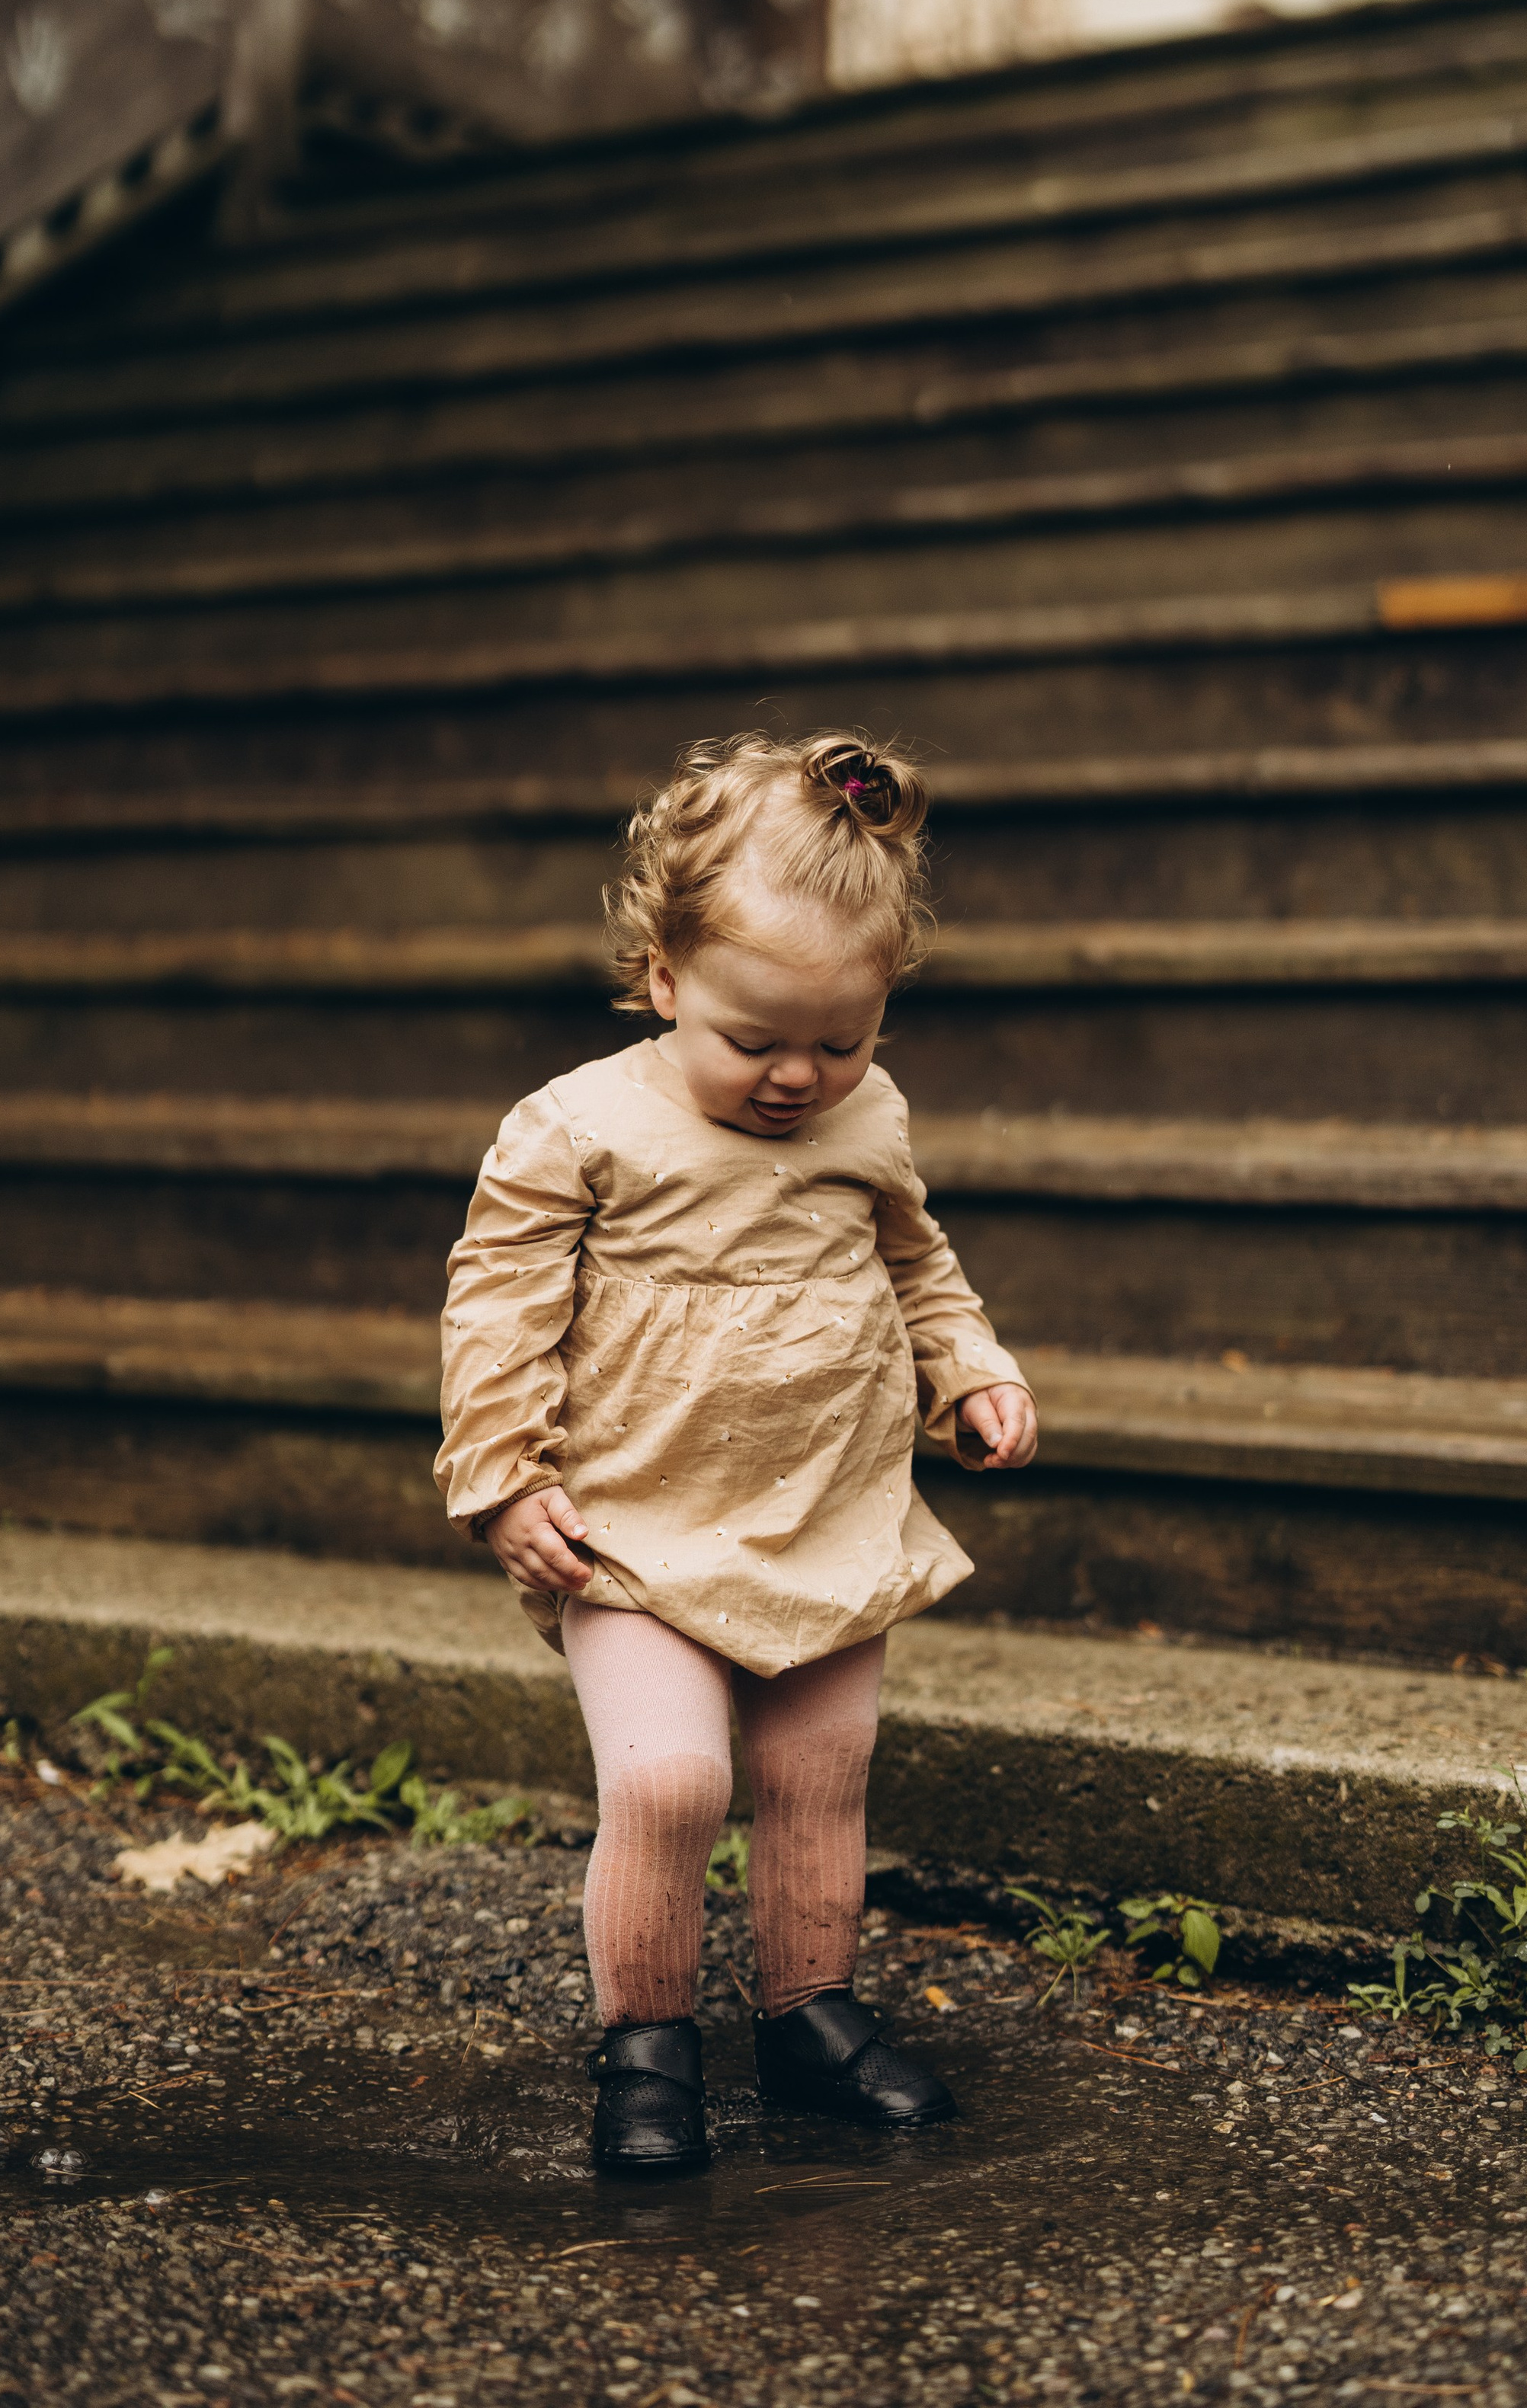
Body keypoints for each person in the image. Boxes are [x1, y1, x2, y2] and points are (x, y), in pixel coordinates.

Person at [436, 731, 1038, 2173]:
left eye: (841, 1040)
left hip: (826, 1505)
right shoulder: (577, 1127)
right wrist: (504, 1477)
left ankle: (808, 2015)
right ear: (664, 978)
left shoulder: (867, 1118)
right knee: (669, 1785)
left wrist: (974, 1371)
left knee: (825, 1769)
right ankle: (648, 2043)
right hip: (635, 1526)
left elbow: (918, 1266)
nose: (796, 1076)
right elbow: (496, 1309)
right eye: (753, 1039)